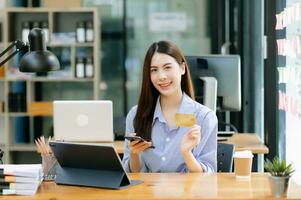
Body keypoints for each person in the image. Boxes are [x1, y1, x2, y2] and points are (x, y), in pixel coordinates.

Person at [122, 41, 217, 173]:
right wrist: (134, 154)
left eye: (167, 67)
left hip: (187, 192)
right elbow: (133, 175)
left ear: (182, 68)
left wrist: (187, 153)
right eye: (154, 70)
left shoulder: (204, 117)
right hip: (146, 192)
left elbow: (209, 175)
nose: (161, 76)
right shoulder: (135, 115)